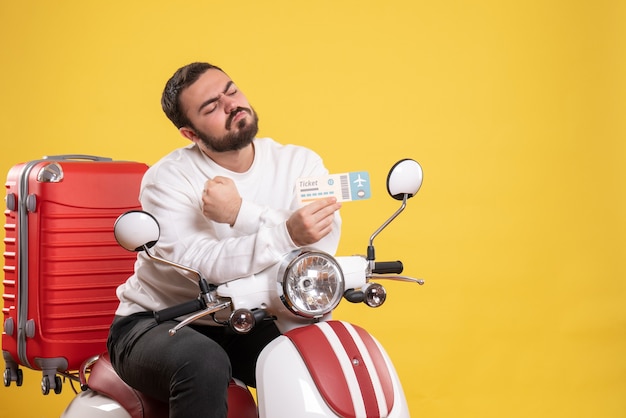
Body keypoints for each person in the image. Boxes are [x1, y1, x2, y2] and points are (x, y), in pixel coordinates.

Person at [107, 62, 342, 418]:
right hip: (157, 322)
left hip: (246, 319)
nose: (231, 104)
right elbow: (205, 267)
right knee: (203, 362)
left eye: (231, 91)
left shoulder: (300, 163)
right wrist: (288, 232)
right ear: (190, 134)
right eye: (211, 107)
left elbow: (318, 250)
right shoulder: (167, 180)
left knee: (318, 354)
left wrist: (241, 212)